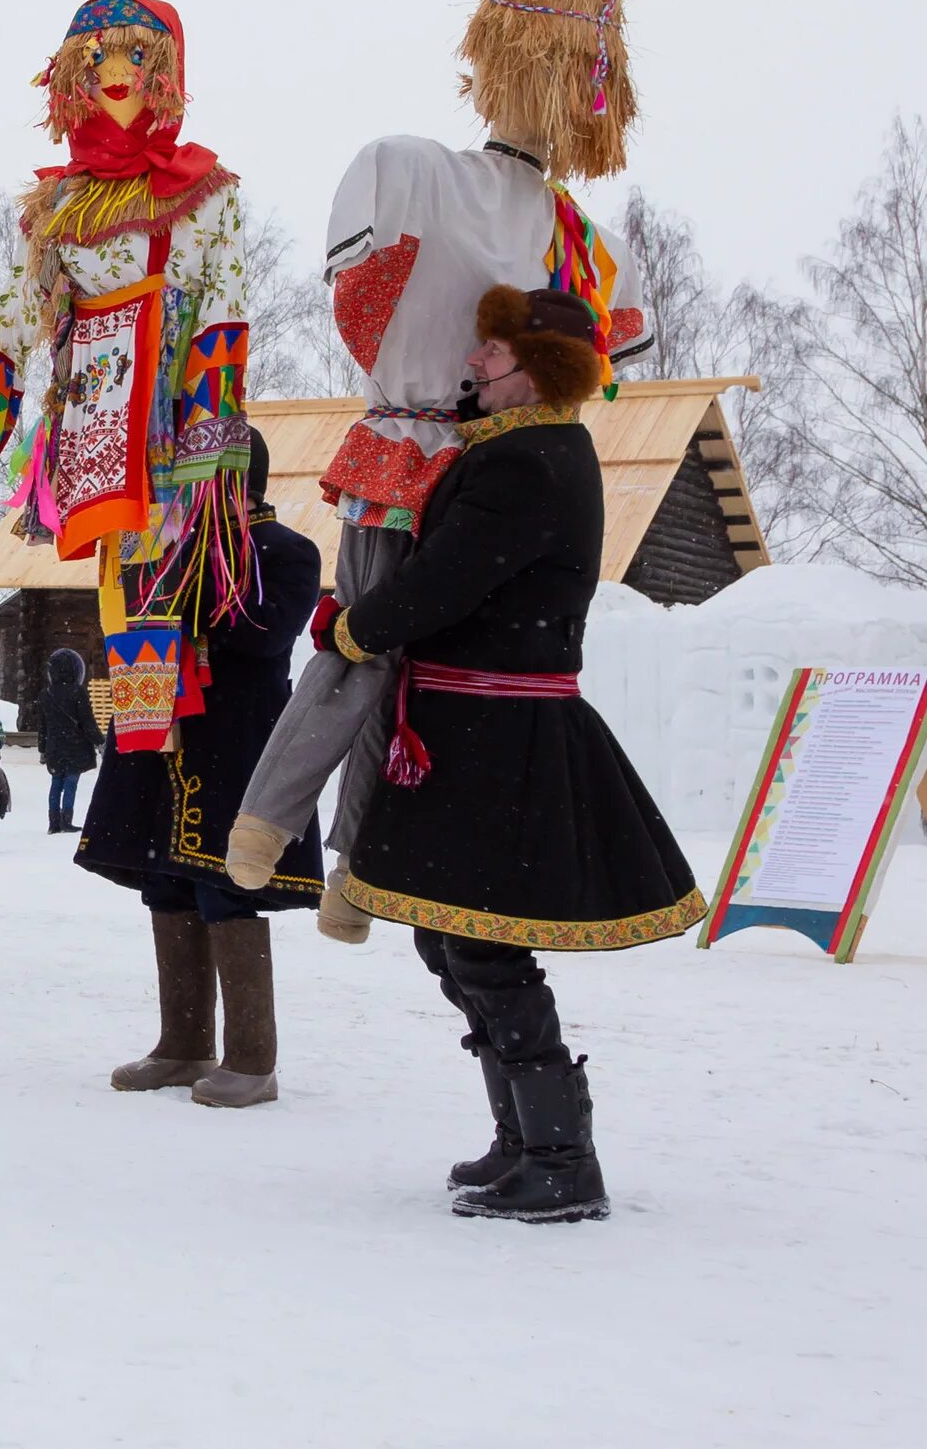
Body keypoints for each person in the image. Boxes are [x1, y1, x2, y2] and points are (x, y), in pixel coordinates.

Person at [227, 0, 654, 945]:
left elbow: (358, 300)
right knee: (405, 658)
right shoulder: (594, 247)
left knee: (359, 641)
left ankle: (277, 827)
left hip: (415, 459)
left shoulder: (405, 171)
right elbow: (599, 366)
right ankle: (350, 866)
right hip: (498, 486)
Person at [326, 286, 705, 1222]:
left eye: (492, 355)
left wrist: (355, 628)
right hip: (464, 733)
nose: (475, 367)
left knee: (485, 947)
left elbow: (447, 579)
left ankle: (563, 1157)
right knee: (446, 937)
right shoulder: (520, 449)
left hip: (501, 738)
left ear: (539, 368)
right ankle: (520, 1138)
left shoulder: (530, 460)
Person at [0, 0, 253, 759]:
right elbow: (10, 328)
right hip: (93, 424)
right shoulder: (56, 207)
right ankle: (145, 757)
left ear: (167, 73)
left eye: (137, 56)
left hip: (175, 428)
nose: (116, 74)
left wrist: (209, 441)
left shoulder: (209, 194)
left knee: (180, 592)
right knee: (126, 590)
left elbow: (223, 316)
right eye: (98, 58)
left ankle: (173, 752)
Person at [76, 425, 324, 1109]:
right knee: (167, 883)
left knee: (226, 884)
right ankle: (182, 1045)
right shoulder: (167, 543)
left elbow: (267, 632)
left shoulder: (286, 549)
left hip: (236, 744)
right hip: (162, 732)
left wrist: (193, 583)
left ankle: (252, 1059)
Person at [33, 647, 101, 834]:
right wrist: (99, 740)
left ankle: (53, 822)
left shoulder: (45, 694)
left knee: (56, 783)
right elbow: (87, 721)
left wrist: (42, 749)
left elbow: (42, 726)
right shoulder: (78, 692)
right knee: (71, 783)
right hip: (76, 746)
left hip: (54, 746)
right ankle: (66, 820)